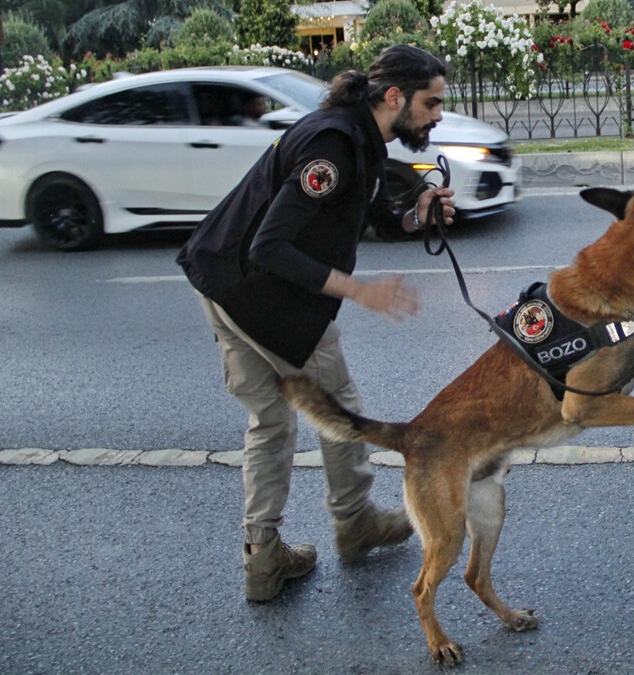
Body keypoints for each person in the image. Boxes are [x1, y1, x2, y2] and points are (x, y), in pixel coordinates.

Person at [177, 45, 456, 602]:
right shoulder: (334, 146)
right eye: (432, 102)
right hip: (264, 298)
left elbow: (355, 215)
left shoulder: (356, 135)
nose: (438, 114)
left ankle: (262, 558)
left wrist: (412, 215)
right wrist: (358, 290)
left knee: (270, 423)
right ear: (395, 97)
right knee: (341, 409)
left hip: (220, 282)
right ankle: (355, 524)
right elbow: (271, 246)